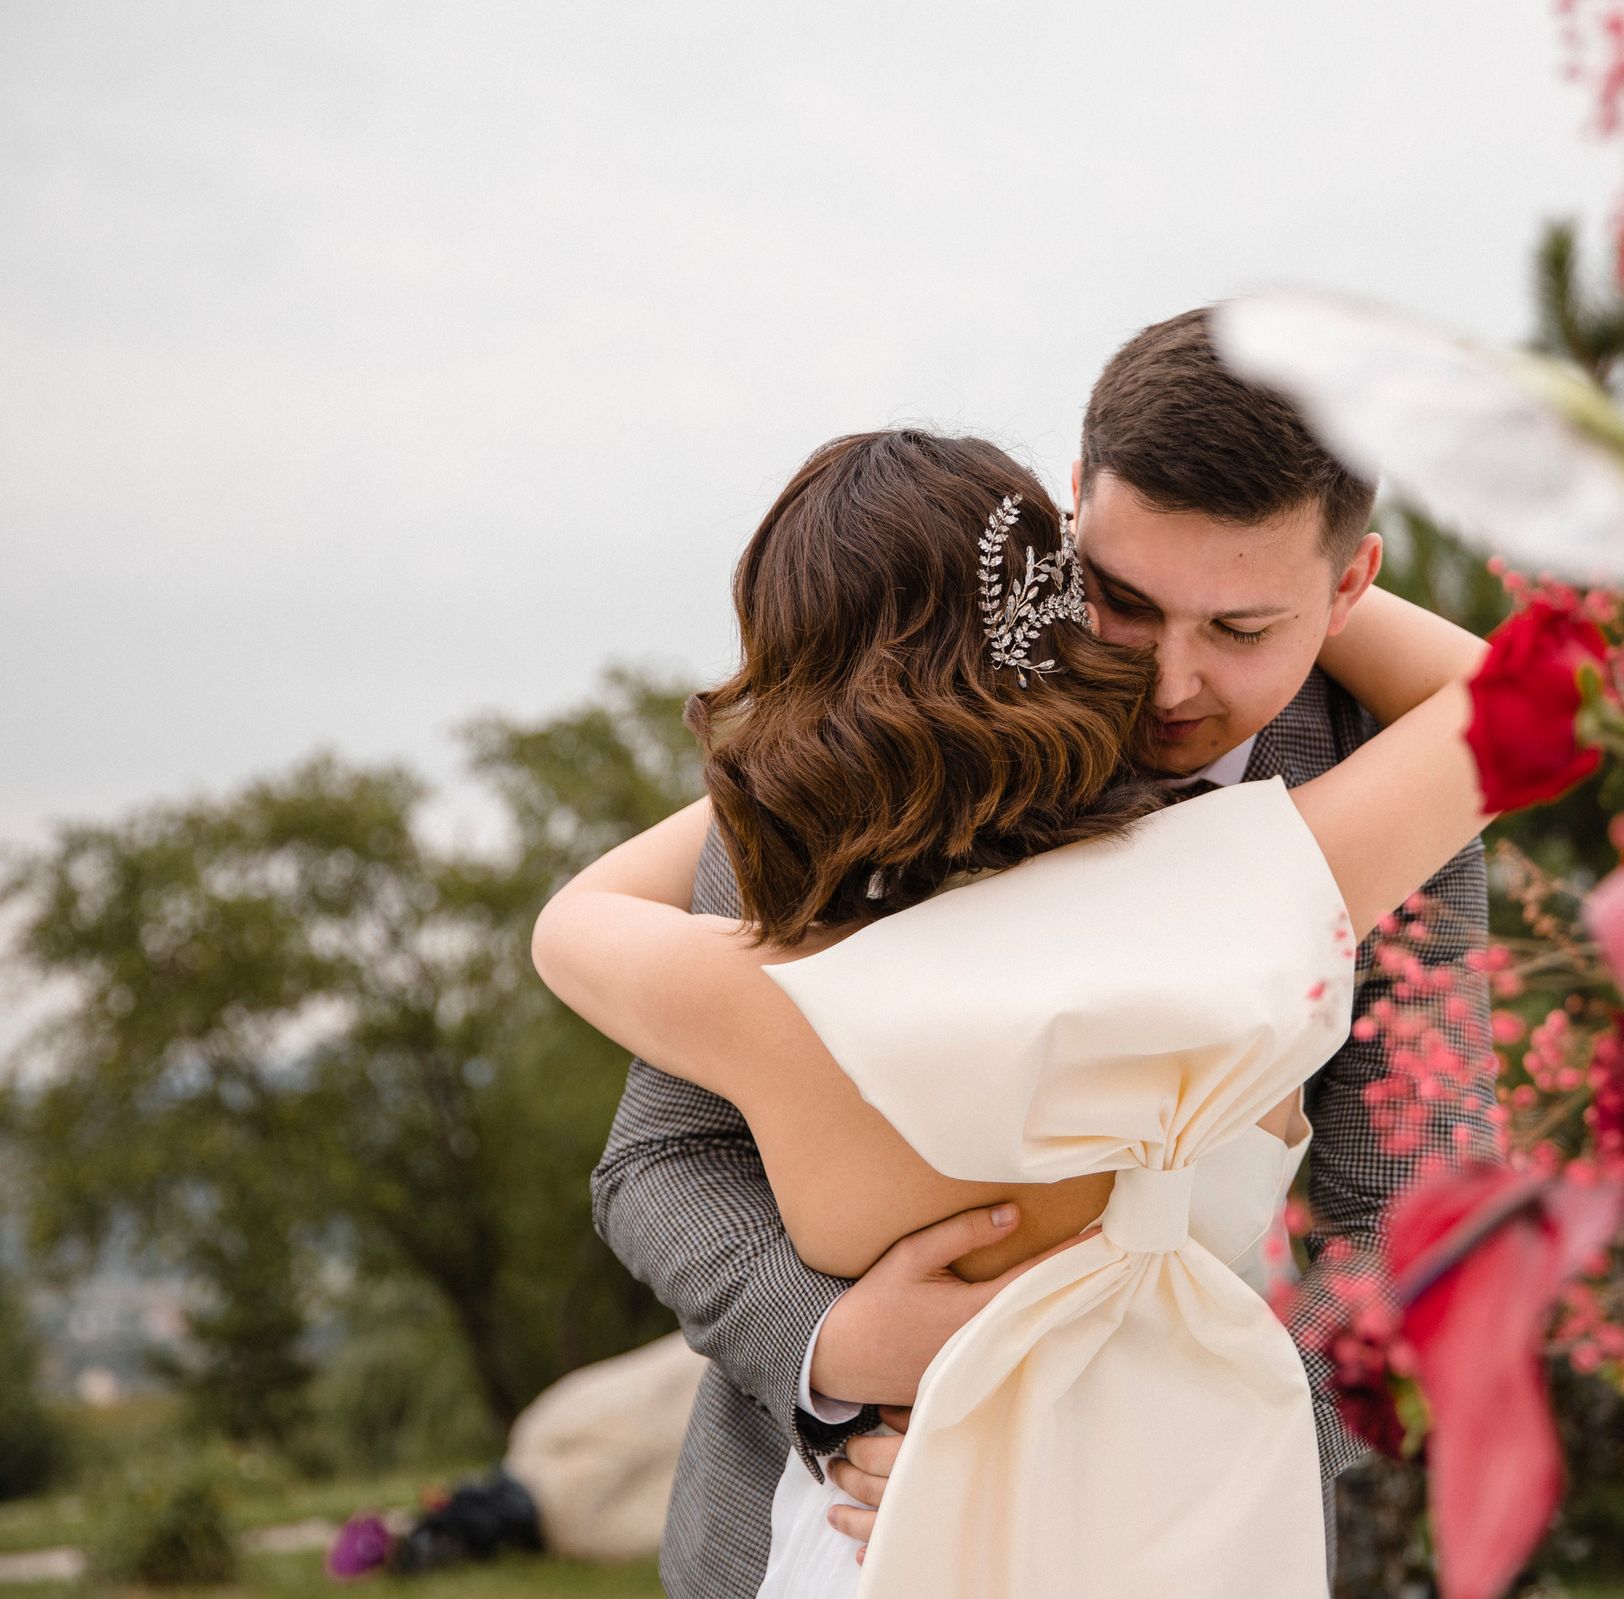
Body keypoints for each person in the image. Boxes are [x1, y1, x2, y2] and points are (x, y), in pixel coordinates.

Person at [587, 313, 1501, 1599]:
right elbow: (664, 1157)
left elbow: (1417, 1227)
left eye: (1241, 628)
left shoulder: (1392, 798)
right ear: (1074, 516)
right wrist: (837, 1346)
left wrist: (1138, 1452)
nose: (1172, 685)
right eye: (1126, 603)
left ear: (1352, 589)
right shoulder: (876, 739)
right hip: (800, 1523)